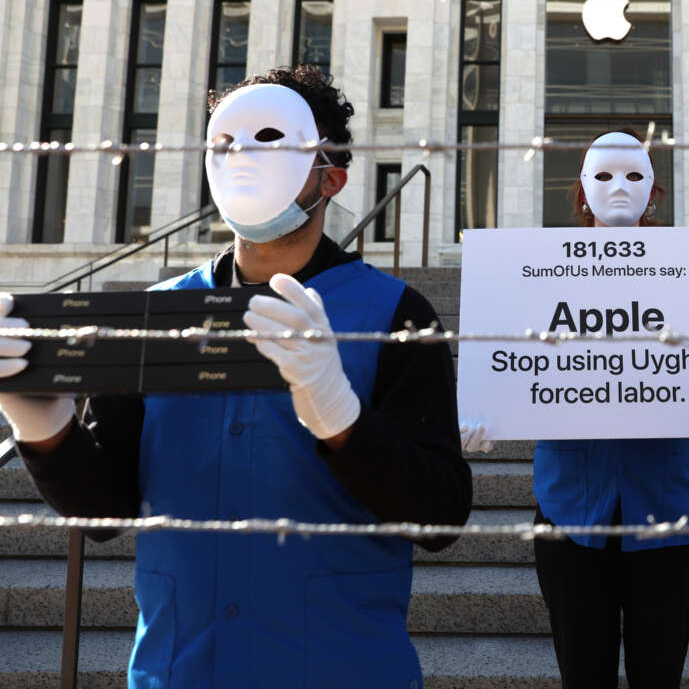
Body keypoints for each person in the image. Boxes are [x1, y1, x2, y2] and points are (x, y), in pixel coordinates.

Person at [0, 65, 472, 688]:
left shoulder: (397, 314)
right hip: (183, 667)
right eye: (226, 143)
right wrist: (42, 425)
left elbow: (440, 513)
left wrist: (342, 420)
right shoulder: (154, 314)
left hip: (342, 668)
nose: (245, 157)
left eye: (274, 138)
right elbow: (105, 510)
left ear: (331, 176)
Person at [460, 130, 689, 688]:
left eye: (633, 176)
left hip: (668, 511)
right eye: (602, 176)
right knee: (583, 675)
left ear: (654, 192)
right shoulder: (534, 271)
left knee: (659, 674)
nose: (619, 188)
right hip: (570, 510)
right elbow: (519, 356)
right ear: (580, 193)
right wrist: (485, 402)